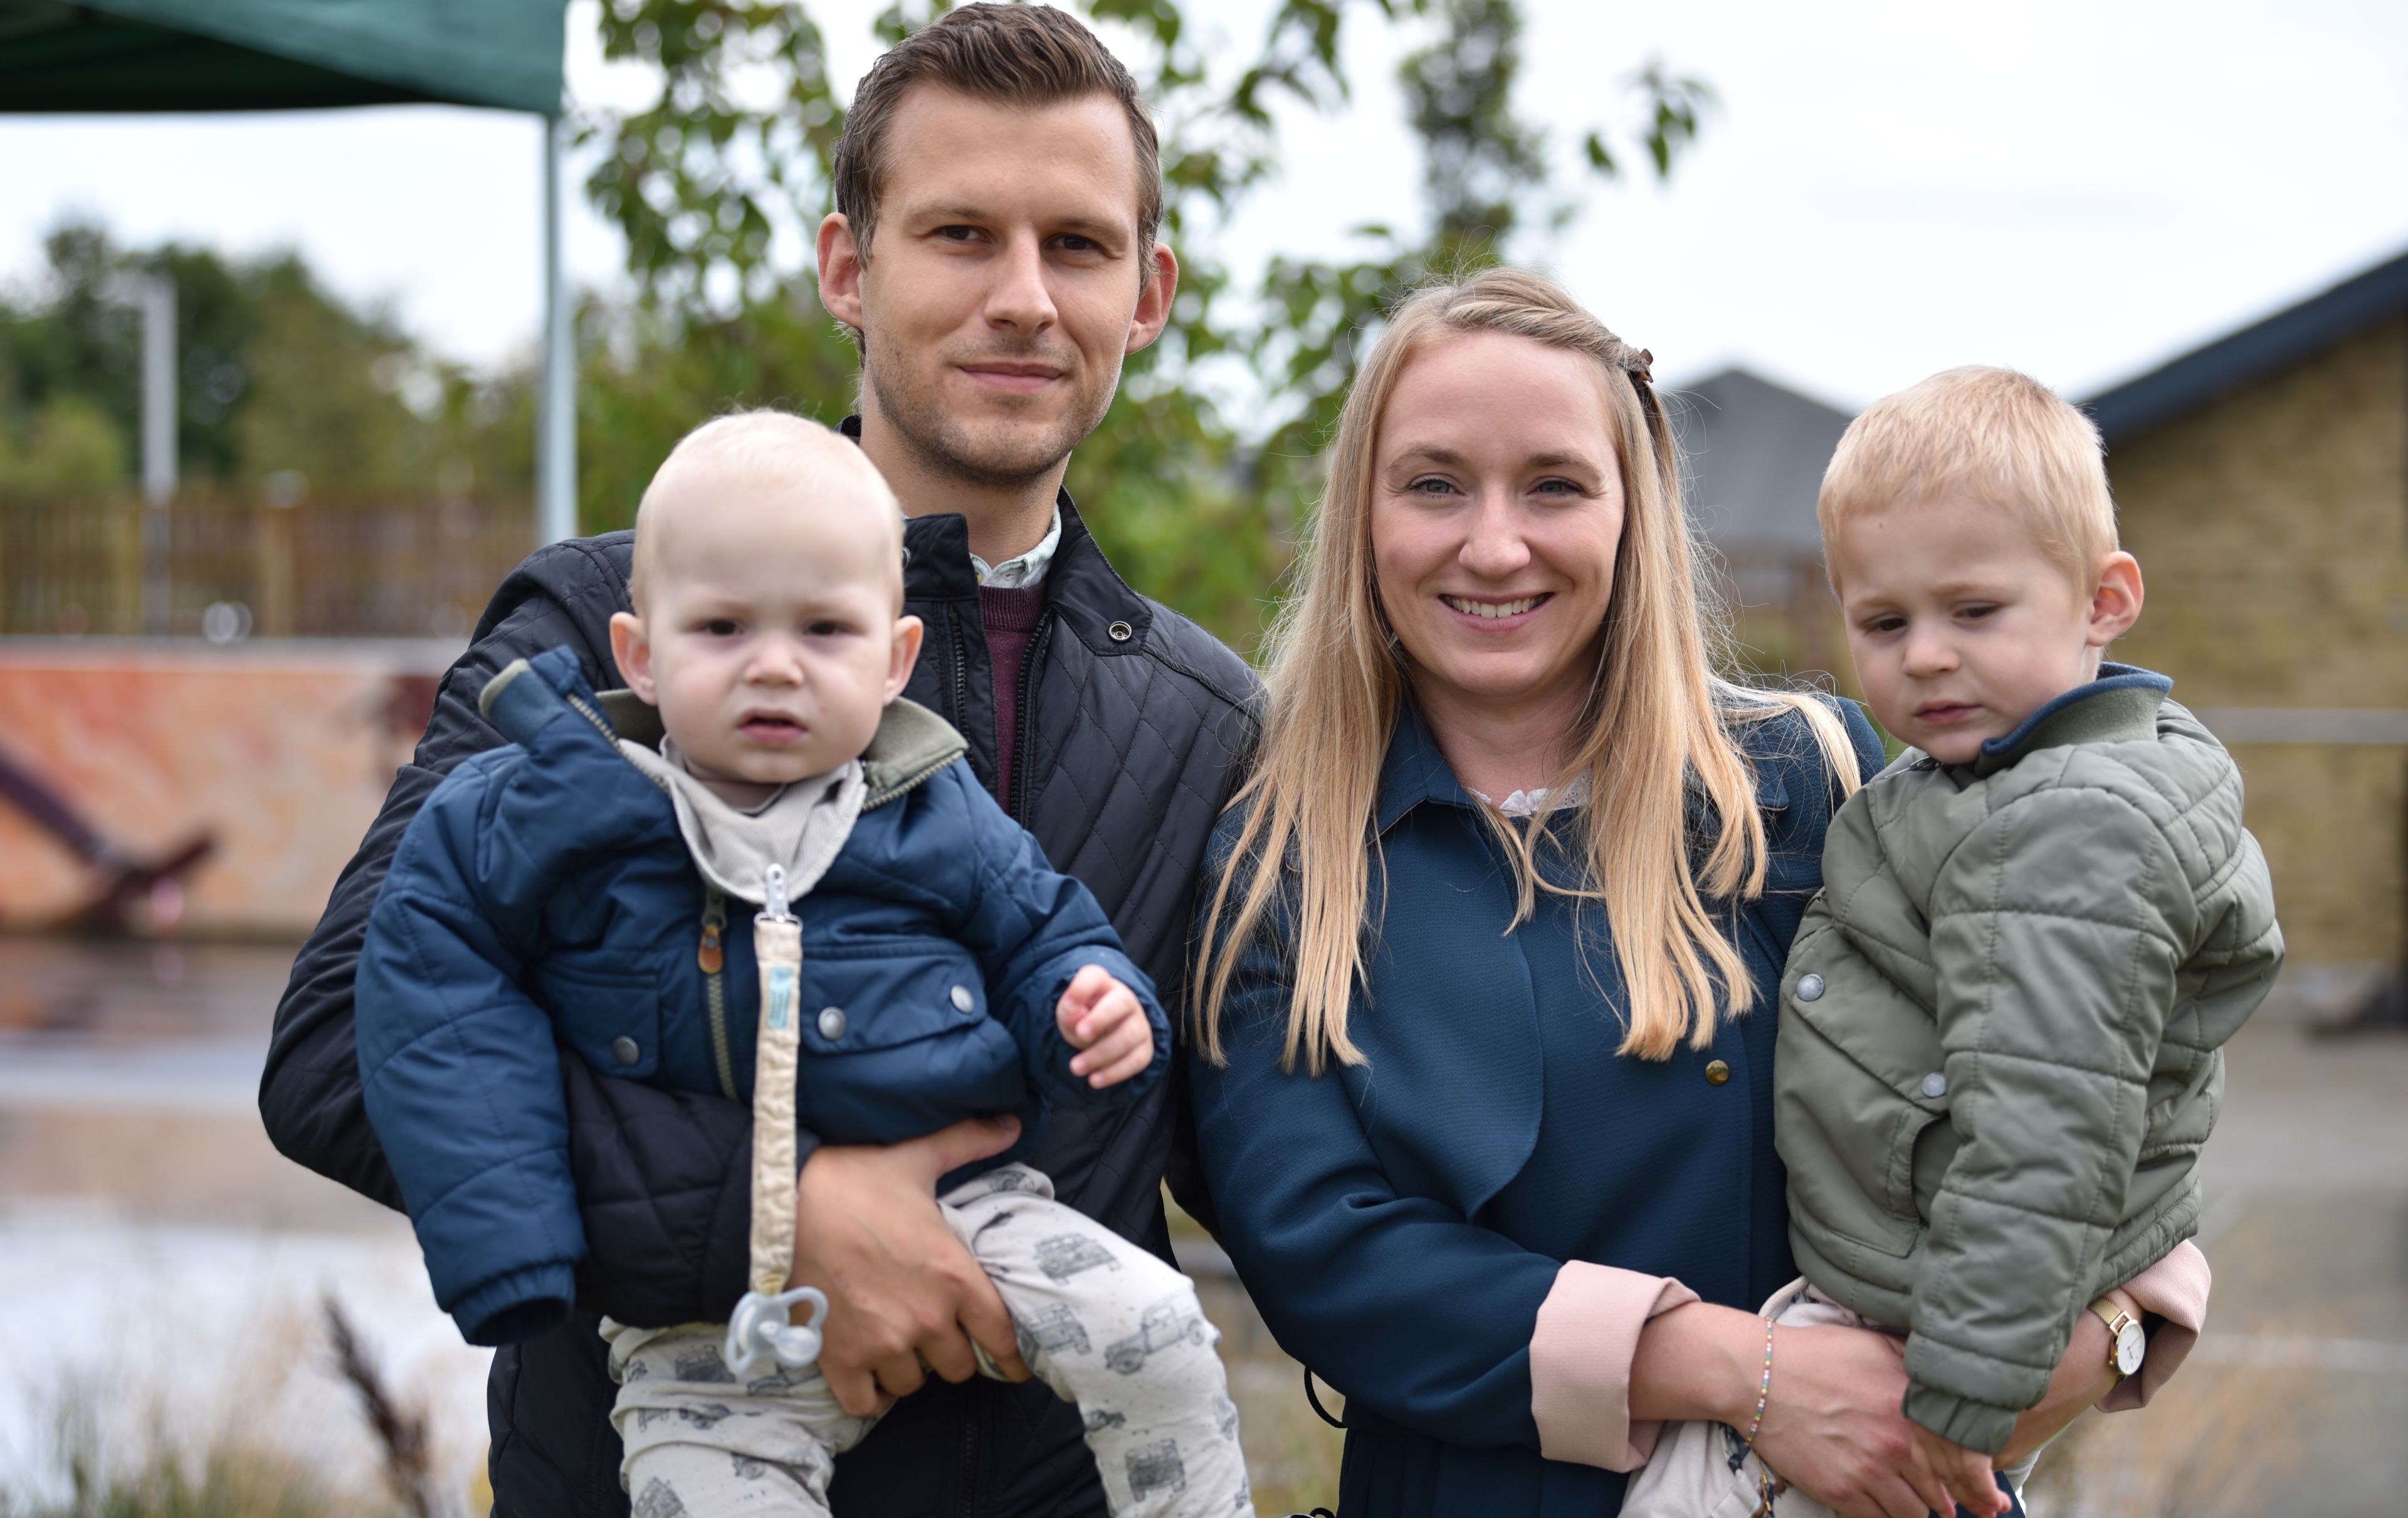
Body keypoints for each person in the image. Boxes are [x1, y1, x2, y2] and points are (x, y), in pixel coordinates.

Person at [258, 3, 1259, 1518]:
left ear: (1148, 294)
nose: (1022, 298)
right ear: (849, 270)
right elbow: (340, 1051)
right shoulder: (601, 629)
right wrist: (772, 1216)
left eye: (1076, 245)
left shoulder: (1209, 718)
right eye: (960, 236)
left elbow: (1270, 1160)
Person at [1186, 270, 2185, 1518]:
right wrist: (1742, 1375)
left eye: (1554, 484)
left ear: (1632, 508)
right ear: (1361, 514)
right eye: (1434, 483)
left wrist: (2118, 1318)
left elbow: (2067, 1065)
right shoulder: (1278, 861)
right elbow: (1327, 1259)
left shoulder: (1805, 777)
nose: (1493, 545)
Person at [355, 415, 1250, 1518]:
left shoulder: (932, 804)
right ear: (639, 653)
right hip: (700, 1326)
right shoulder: (544, 812)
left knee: (1155, 1331)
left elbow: (1044, 935)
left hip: (971, 1215)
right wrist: (512, 1245)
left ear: (893, 662)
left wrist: (1092, 1013)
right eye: (722, 628)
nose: (774, 666)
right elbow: (426, 997)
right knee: (699, 1490)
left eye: (825, 631)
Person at [1626, 368, 2280, 1518]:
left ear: (2104, 599)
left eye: (1972, 613)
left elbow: (2043, 1131)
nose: (1925, 655)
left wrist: (1957, 1402)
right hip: (1934, 1304)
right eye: (1885, 623)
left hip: (1924, 1334)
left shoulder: (2066, 828)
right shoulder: (2011, 778)